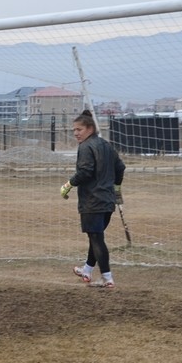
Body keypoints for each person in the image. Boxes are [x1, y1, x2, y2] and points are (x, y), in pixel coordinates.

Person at [61, 109, 126, 289]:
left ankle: (107, 278)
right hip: (108, 201)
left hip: (92, 201)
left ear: (90, 128)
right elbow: (120, 168)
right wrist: (116, 189)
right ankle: (87, 270)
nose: (75, 133)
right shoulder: (106, 145)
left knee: (96, 239)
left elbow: (85, 172)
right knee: (95, 236)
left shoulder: (85, 147)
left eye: (79, 129)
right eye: (74, 130)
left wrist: (68, 184)